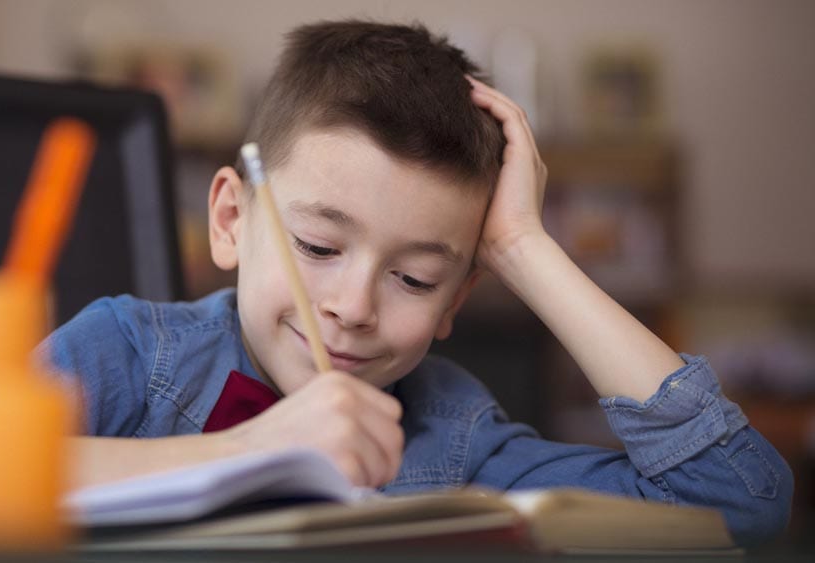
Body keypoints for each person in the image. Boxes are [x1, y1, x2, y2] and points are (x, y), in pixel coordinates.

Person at [39, 20, 792, 546]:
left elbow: (741, 498)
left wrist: (525, 247)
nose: (353, 307)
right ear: (234, 219)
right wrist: (255, 449)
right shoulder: (131, 352)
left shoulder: (455, 435)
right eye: (318, 244)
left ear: (453, 302)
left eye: (414, 277)